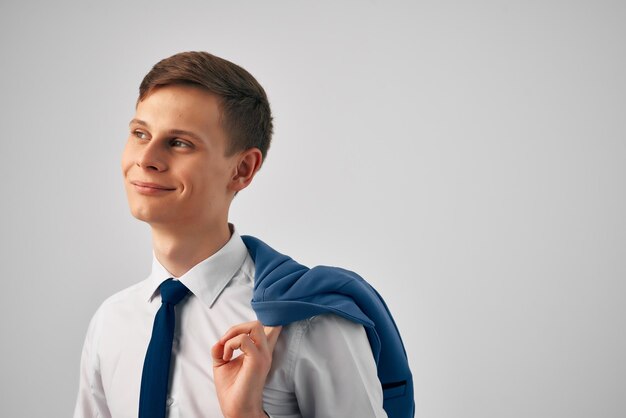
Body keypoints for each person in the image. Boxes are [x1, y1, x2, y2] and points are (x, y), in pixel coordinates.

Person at [73, 51, 410, 418]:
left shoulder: (308, 322)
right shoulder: (110, 323)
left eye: (180, 142)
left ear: (242, 170)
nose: (146, 158)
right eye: (140, 134)